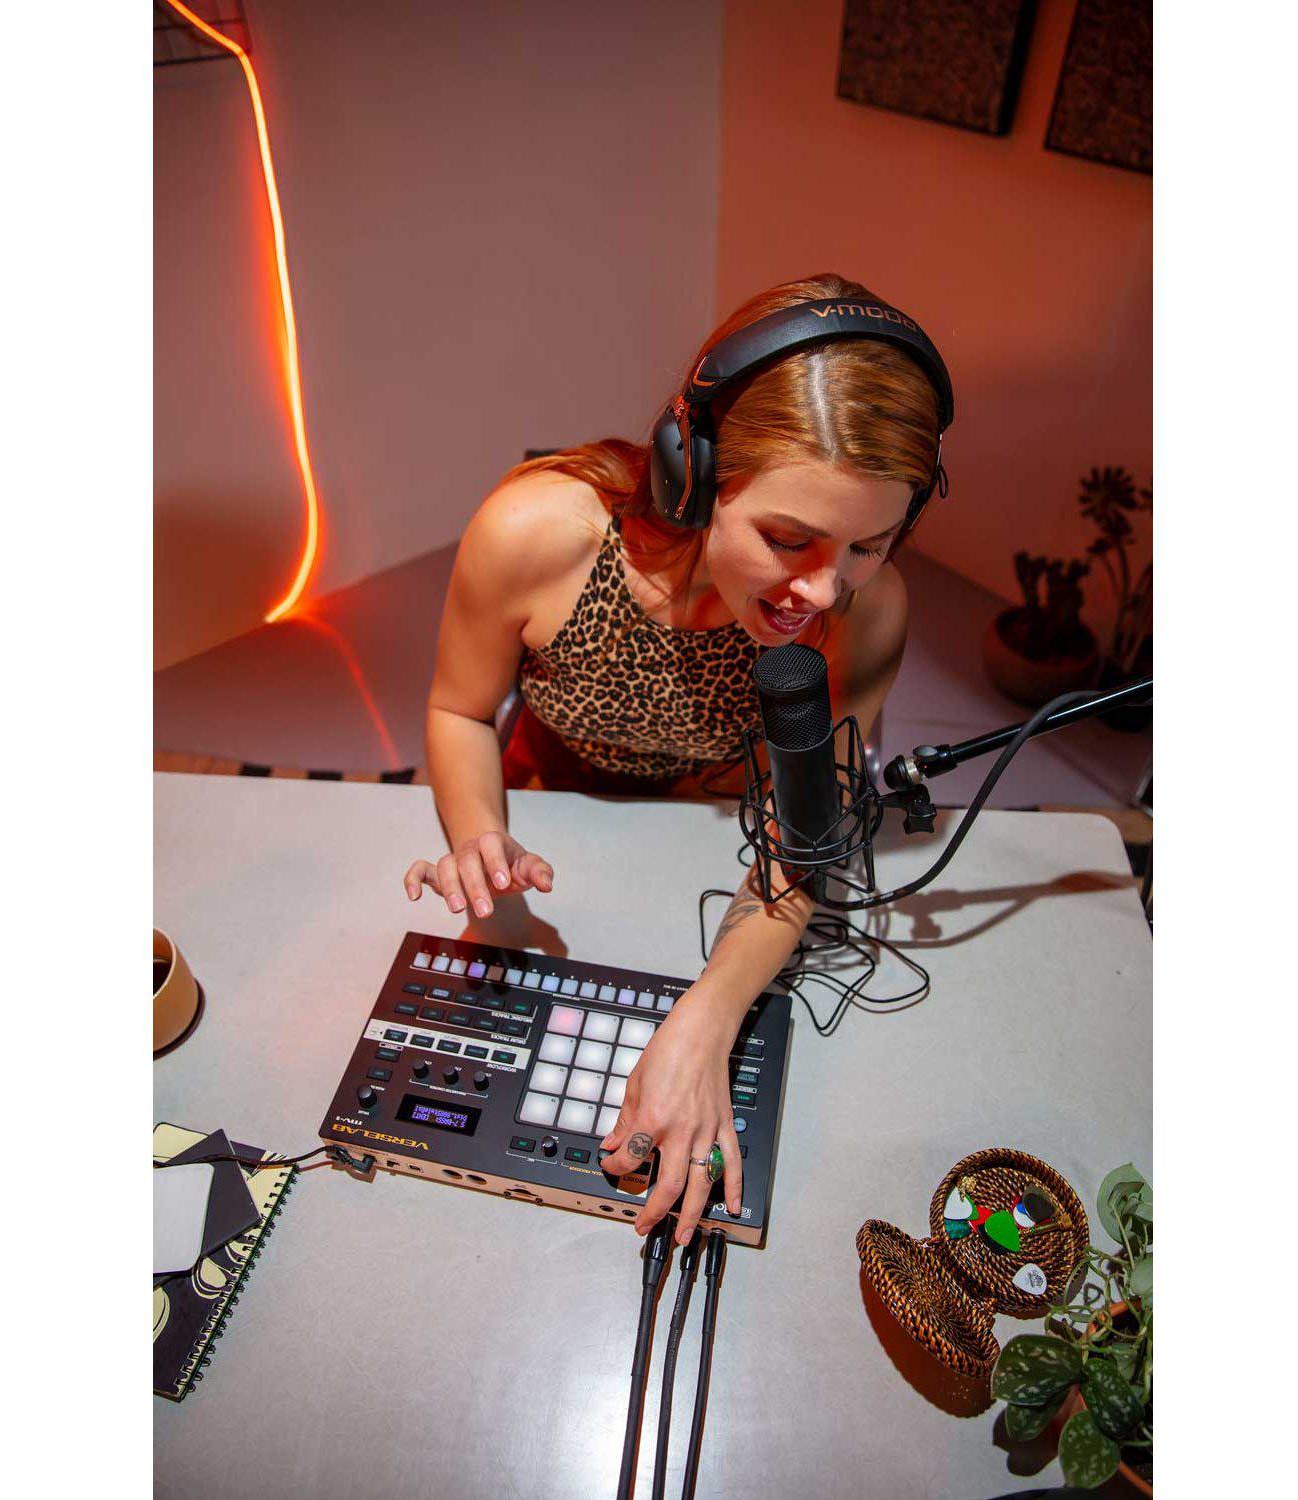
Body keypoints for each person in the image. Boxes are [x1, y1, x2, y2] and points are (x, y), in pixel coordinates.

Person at [404, 272, 951, 1249]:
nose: (826, 591)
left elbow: (804, 838)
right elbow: (457, 709)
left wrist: (708, 1017)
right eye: (788, 538)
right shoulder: (536, 534)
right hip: (550, 801)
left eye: (869, 545)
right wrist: (482, 836)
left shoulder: (871, 612)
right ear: (691, 473)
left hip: (709, 827)